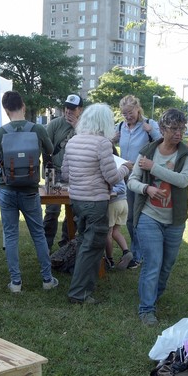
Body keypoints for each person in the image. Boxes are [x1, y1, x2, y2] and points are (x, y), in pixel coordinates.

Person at [127, 109, 188, 325]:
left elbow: (183, 180)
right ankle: (146, 309)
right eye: (174, 129)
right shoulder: (147, 152)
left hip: (175, 220)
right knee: (153, 263)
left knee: (166, 266)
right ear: (163, 129)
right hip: (149, 215)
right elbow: (132, 181)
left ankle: (152, 297)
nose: (178, 133)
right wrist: (146, 188)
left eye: (181, 129)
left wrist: (154, 168)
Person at [61, 103, 133, 304]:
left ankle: (79, 285)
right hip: (95, 202)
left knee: (84, 242)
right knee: (91, 248)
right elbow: (112, 177)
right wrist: (126, 168)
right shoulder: (102, 143)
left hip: (77, 200)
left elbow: (65, 174)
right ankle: (79, 293)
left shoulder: (73, 141)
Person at [0, 90, 58, 293]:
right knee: (38, 234)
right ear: (23, 105)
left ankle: (16, 283)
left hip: (7, 189)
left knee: (11, 236)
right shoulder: (37, 129)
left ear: (6, 109)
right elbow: (50, 150)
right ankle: (47, 279)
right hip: (30, 190)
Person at [114, 95, 162, 269]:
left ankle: (138, 255)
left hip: (142, 178)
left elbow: (163, 143)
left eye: (130, 112)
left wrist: (151, 131)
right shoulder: (121, 126)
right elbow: (109, 142)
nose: (128, 116)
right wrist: (113, 138)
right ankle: (137, 252)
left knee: (139, 218)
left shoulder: (149, 124)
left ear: (138, 109)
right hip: (125, 177)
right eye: (124, 113)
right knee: (129, 218)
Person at [44, 94, 84, 250]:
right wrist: (47, 173)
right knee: (51, 211)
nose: (68, 111)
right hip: (53, 171)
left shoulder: (85, 127)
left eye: (72, 109)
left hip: (76, 174)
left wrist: (77, 127)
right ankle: (46, 246)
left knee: (73, 212)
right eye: (67, 107)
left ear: (80, 110)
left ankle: (67, 246)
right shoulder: (54, 124)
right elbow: (45, 149)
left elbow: (89, 145)